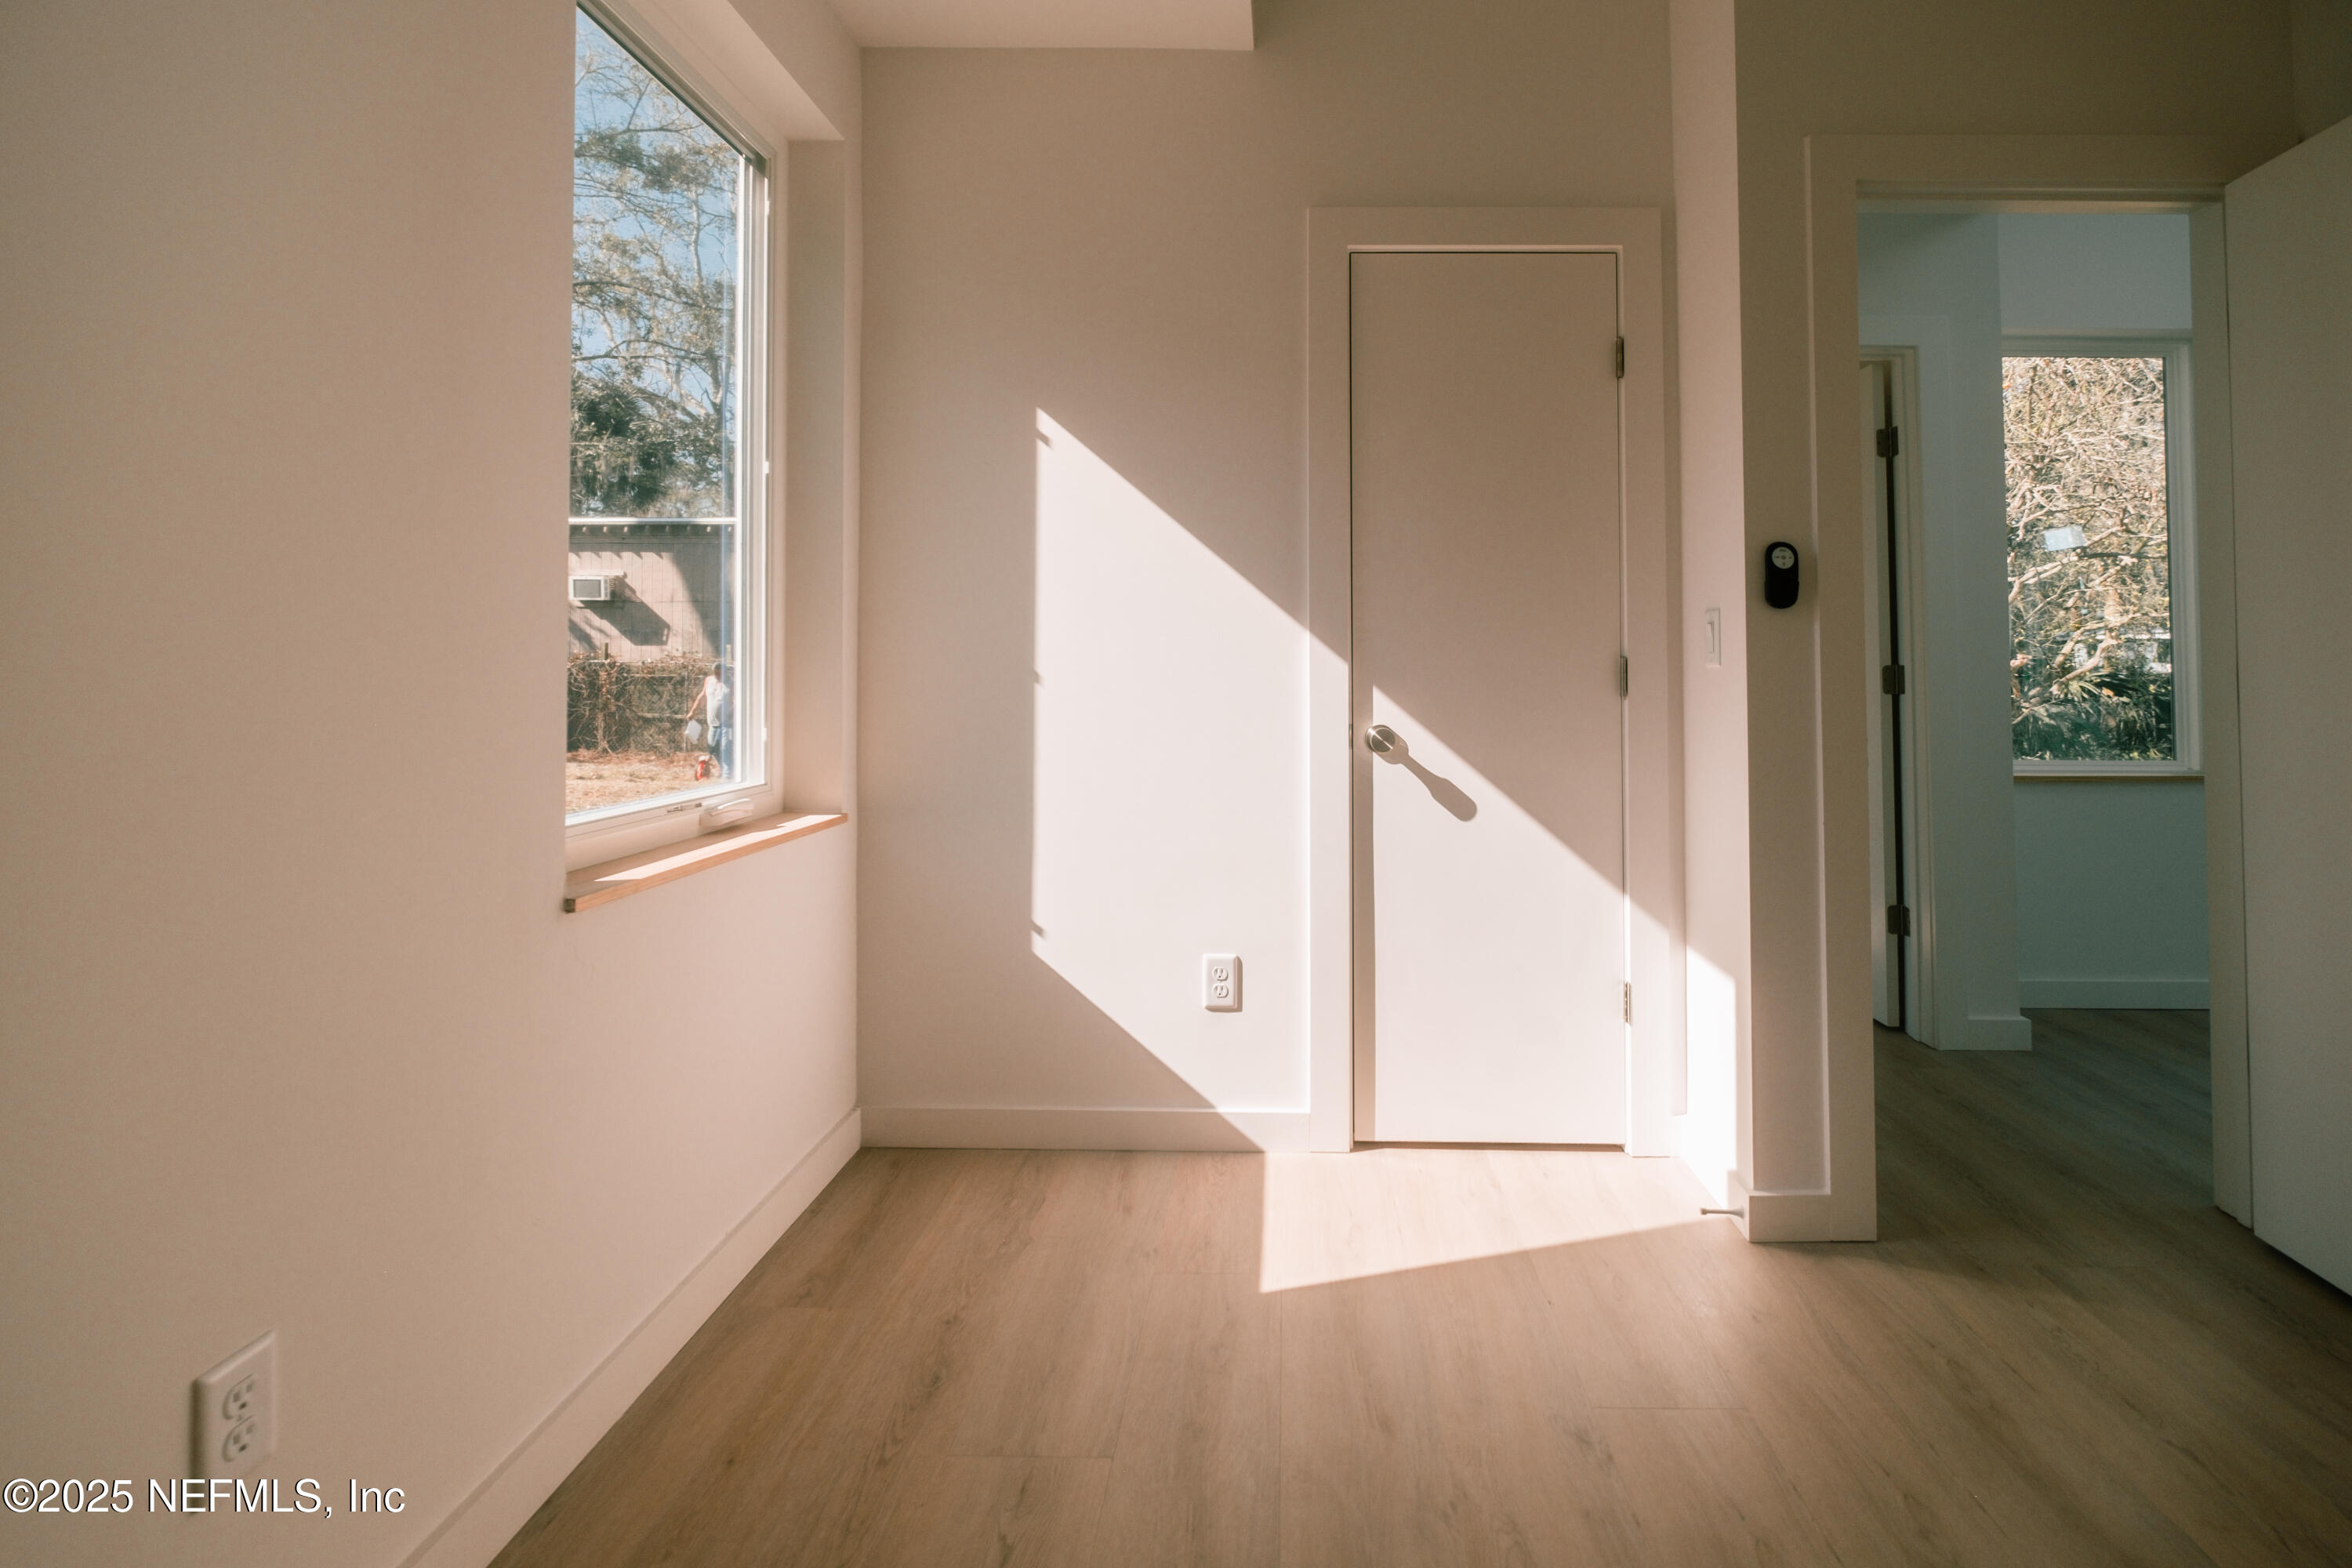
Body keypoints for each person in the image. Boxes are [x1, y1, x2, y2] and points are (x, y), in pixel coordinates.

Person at [683, 661, 730, 781]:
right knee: (713, 749)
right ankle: (725, 771)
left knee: (725, 749)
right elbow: (702, 696)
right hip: (713, 723)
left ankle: (728, 776)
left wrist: (730, 714)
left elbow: (736, 701)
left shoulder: (732, 683)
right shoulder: (709, 680)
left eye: (720, 675)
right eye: (716, 674)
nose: (718, 677)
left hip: (728, 724)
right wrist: (693, 711)